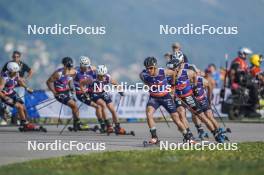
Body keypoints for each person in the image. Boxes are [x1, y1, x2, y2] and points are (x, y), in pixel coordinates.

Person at [167, 58, 227, 143]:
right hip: (179, 97)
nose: (170, 71)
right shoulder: (169, 77)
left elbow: (195, 75)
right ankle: (188, 135)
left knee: (203, 117)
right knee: (180, 113)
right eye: (169, 69)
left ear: (177, 68)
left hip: (188, 97)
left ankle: (216, 133)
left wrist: (194, 86)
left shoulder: (186, 73)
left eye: (172, 69)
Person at [140, 56, 194, 144]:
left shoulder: (163, 71)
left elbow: (173, 73)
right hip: (154, 98)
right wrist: (148, 84)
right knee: (149, 113)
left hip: (165, 97)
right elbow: (141, 76)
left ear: (155, 67)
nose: (149, 70)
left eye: (151, 68)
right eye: (147, 68)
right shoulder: (144, 74)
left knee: (176, 118)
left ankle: (188, 137)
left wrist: (173, 84)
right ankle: (154, 137)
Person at [46, 57, 87, 131]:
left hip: (67, 92)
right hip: (59, 93)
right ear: (64, 65)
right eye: (68, 67)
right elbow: (48, 82)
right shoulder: (58, 73)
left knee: (75, 106)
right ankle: (78, 123)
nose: (69, 69)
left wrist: (72, 92)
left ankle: (76, 125)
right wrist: (54, 92)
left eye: (70, 67)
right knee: (74, 105)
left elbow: (70, 82)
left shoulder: (71, 72)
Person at [87, 64, 126, 134]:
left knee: (112, 109)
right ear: (97, 74)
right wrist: (84, 91)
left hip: (102, 92)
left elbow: (116, 84)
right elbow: (82, 83)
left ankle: (118, 127)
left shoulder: (107, 77)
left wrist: (120, 91)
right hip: (93, 93)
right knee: (103, 105)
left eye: (103, 75)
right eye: (100, 76)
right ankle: (108, 126)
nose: (102, 77)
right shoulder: (92, 78)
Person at [0, 62, 35, 130]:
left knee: (24, 107)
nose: (17, 73)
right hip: (5, 95)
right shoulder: (4, 78)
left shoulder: (16, 74)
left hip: (12, 93)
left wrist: (27, 88)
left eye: (17, 71)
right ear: (10, 71)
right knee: (19, 107)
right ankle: (25, 124)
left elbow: (19, 81)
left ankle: (25, 122)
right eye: (15, 72)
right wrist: (4, 97)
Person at [73, 56, 105, 130]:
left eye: (87, 66)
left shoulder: (91, 69)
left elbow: (97, 77)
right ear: (80, 65)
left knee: (102, 104)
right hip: (80, 93)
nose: (86, 68)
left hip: (89, 92)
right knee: (97, 106)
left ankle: (76, 124)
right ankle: (102, 125)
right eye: (84, 66)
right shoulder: (76, 71)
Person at [229, 47, 260, 117]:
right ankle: (254, 105)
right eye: (245, 54)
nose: (246, 56)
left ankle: (250, 106)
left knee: (254, 84)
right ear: (242, 54)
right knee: (254, 86)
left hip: (243, 81)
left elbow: (246, 73)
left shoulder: (242, 62)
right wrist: (232, 83)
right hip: (240, 82)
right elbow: (232, 72)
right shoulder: (237, 61)